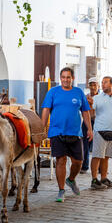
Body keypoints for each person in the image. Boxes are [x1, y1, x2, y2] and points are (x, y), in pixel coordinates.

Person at [41, 67, 93, 202]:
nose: (65, 79)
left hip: (75, 132)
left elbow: (86, 112)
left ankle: (71, 180)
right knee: (61, 160)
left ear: (73, 78)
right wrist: (42, 128)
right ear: (60, 78)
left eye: (68, 77)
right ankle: (61, 190)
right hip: (57, 131)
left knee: (78, 162)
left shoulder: (78, 92)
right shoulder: (53, 92)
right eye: (63, 77)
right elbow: (46, 110)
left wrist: (89, 129)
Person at [81, 77, 100, 173]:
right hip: (86, 122)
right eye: (91, 85)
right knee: (85, 144)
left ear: (98, 86)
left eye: (94, 85)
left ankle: (100, 168)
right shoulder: (85, 96)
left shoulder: (102, 97)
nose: (93, 87)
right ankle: (84, 166)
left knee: (99, 145)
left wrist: (93, 104)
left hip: (98, 122)